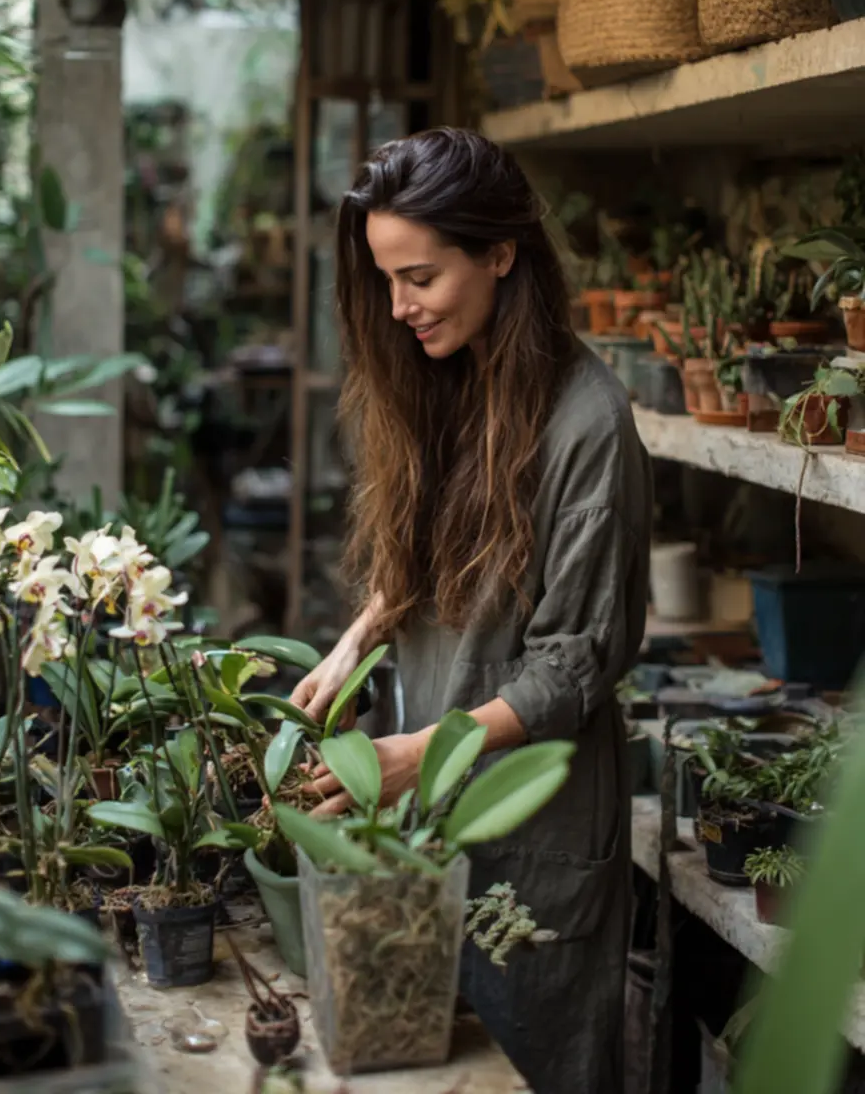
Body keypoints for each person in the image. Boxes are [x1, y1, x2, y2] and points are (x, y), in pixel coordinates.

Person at [289, 128, 652, 1094]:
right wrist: (354, 643)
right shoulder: (444, 375)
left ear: (499, 254)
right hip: (430, 796)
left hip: (533, 818)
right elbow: (422, 559)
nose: (399, 307)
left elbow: (574, 665)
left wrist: (422, 756)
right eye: (385, 279)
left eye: (421, 277)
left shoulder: (589, 425)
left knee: (523, 1063)